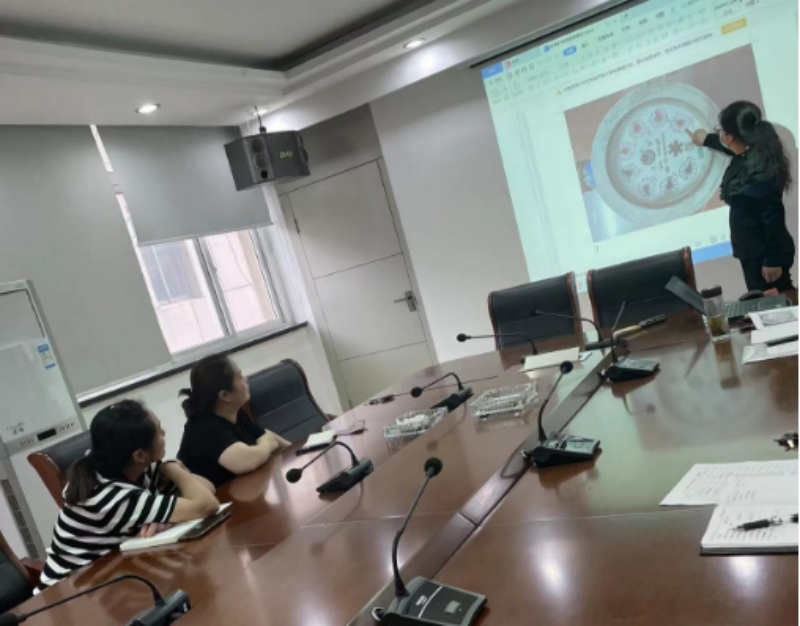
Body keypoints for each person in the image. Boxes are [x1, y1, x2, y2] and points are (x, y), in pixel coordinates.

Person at [36, 401, 219, 592]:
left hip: (112, 573)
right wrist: (172, 468)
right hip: (70, 592)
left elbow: (207, 489)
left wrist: (167, 517)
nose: (164, 434)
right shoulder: (111, 497)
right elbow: (207, 505)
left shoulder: (131, 468)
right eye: (159, 432)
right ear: (139, 455)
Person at [687, 101, 795, 292]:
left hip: (763, 256)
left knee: (775, 303)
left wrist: (772, 260)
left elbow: (774, 218)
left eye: (721, 131)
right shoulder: (753, 149)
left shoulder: (759, 173)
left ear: (729, 137)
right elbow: (730, 148)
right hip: (751, 250)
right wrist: (705, 139)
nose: (720, 135)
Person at [178, 354, 289, 487]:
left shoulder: (233, 413)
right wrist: (268, 444)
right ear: (225, 395)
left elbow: (266, 435)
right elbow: (247, 461)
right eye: (240, 376)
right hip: (216, 498)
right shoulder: (203, 427)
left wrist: (298, 450)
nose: (245, 379)